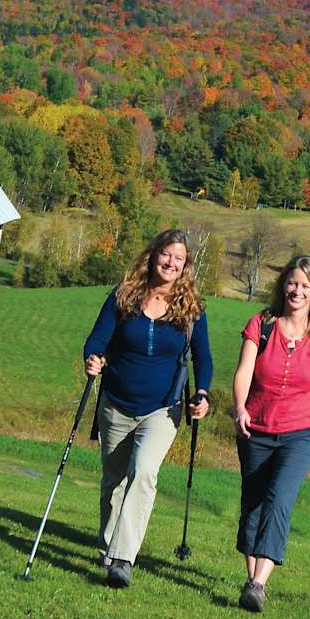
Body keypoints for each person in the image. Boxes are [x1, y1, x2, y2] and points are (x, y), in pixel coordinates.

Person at [83, 229, 212, 590]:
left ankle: (123, 559)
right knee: (114, 481)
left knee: (143, 472)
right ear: (153, 255)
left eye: (179, 259)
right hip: (116, 404)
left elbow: (204, 358)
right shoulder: (124, 296)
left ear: (185, 266)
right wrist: (92, 359)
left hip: (164, 409)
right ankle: (109, 547)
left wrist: (201, 393)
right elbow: (97, 339)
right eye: (165, 255)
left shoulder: (191, 308)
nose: (170, 263)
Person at [231, 253, 310, 613]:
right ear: (283, 286)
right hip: (257, 426)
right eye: (292, 283)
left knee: (279, 499)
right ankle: (252, 580)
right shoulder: (261, 324)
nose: (297, 290)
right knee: (253, 502)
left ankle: (260, 582)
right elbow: (244, 371)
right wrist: (240, 408)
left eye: (305, 286)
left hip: (303, 431)